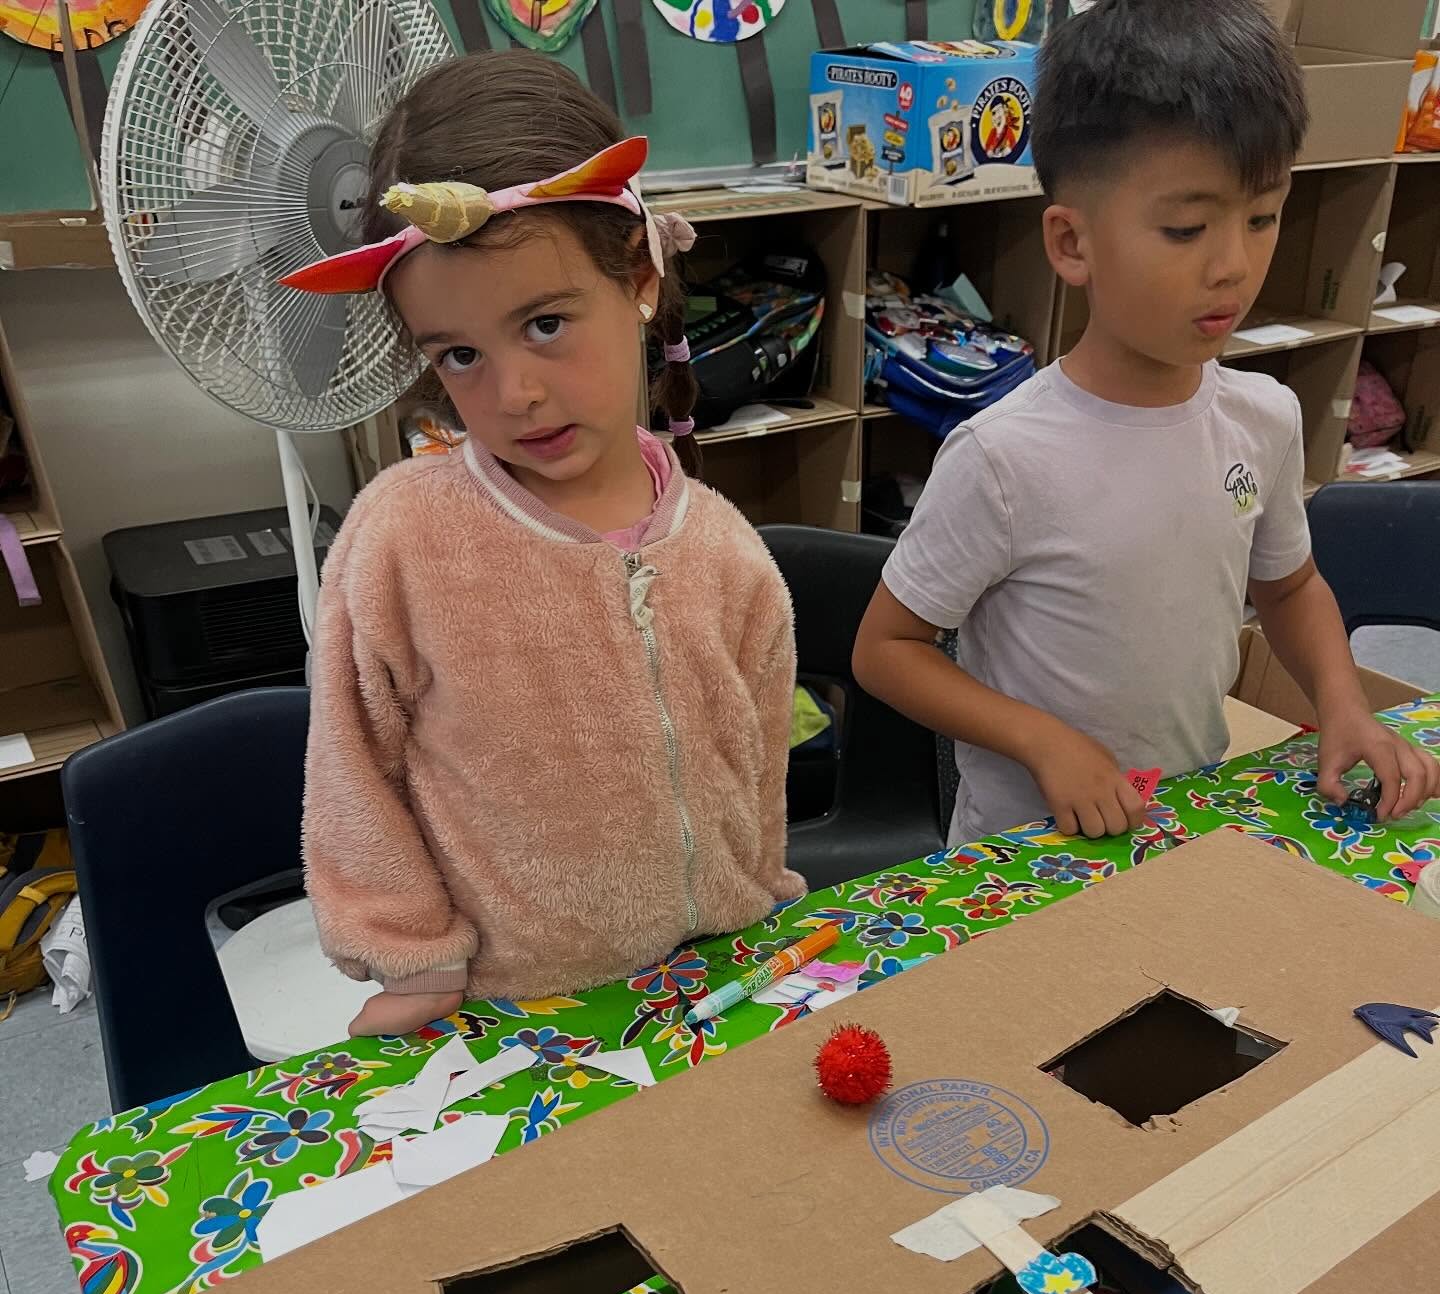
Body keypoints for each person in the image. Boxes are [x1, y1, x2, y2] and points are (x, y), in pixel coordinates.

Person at [288, 52, 802, 1036]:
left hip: (712, 980)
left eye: (547, 323)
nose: (514, 394)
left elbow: (759, 758)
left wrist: (759, 887)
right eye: (461, 355)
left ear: (639, 277)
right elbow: (351, 768)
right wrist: (409, 953)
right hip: (519, 1004)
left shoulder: (727, 552)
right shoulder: (404, 541)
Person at [853, 0, 1440, 846]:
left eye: (1262, 217)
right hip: (1027, 851)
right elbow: (887, 650)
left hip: (1187, 816)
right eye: (1186, 228)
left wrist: (1343, 704)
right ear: (1072, 244)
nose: (1233, 264)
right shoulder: (1003, 456)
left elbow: (1289, 587)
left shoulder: (1264, 417)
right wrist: (1043, 741)